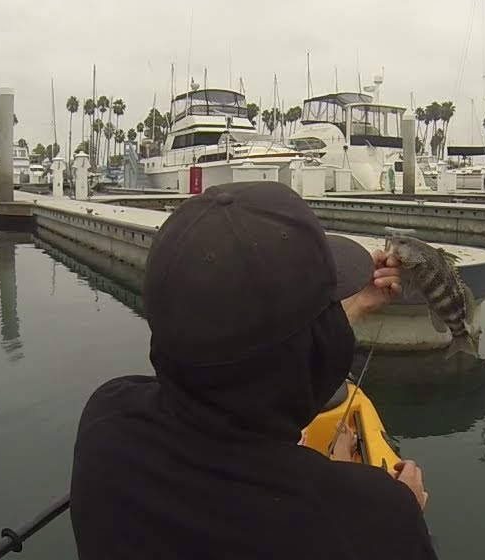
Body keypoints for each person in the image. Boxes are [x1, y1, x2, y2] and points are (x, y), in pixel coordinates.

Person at [70, 181, 437, 559]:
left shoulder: (106, 423)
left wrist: (353, 308)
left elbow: (244, 374)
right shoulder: (377, 520)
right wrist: (400, 515)